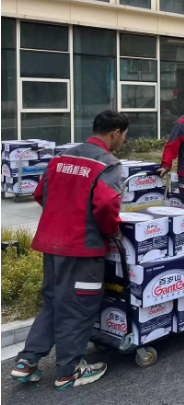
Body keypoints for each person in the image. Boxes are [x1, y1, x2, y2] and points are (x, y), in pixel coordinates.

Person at [12, 111, 130, 389]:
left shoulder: (62, 158)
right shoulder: (107, 164)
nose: (123, 141)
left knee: (54, 301)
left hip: (52, 243)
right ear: (115, 133)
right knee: (78, 306)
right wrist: (112, 231)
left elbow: (40, 193)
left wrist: (62, 217)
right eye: (124, 135)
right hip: (82, 247)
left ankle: (26, 362)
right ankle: (69, 370)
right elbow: (106, 206)